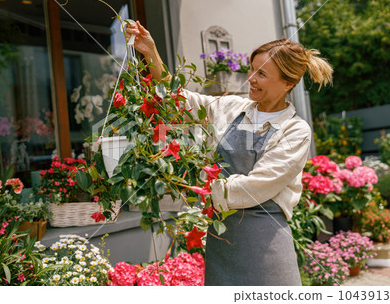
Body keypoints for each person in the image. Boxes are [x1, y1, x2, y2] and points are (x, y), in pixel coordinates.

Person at [126, 21, 333, 285]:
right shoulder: (233, 107)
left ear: (288, 83)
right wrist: (150, 53)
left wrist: (196, 186)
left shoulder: (295, 130)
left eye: (261, 73)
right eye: (251, 69)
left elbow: (255, 187)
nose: (251, 79)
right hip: (222, 240)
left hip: (264, 245)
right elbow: (178, 99)